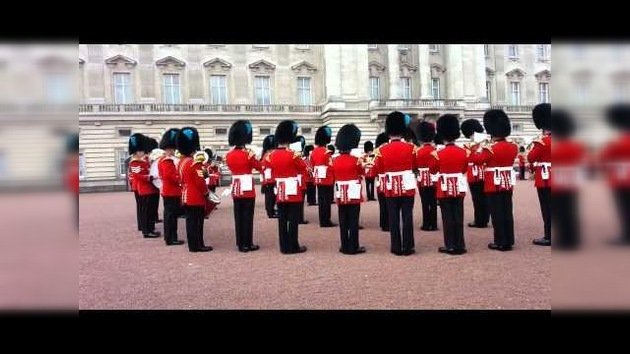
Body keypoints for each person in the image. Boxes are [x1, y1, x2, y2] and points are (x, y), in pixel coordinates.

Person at [469, 109, 518, 251]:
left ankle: (500, 241)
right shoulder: (512, 146)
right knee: (507, 211)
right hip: (507, 182)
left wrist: (476, 148)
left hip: (493, 183)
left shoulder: (489, 148)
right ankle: (509, 239)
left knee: (497, 212)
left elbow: (477, 161)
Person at [373, 111, 418, 256]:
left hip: (390, 186)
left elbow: (379, 169)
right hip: (407, 185)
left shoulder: (381, 150)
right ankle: (408, 246)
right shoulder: (411, 148)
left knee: (393, 216)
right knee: (407, 216)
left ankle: (396, 246)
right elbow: (415, 166)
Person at [266, 120, 309, 254]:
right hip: (292, 190)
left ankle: (284, 246)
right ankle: (293, 246)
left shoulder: (270, 155)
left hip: (280, 190)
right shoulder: (293, 154)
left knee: (282, 219)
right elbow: (304, 168)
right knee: (293, 220)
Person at [430, 114, 468, 255]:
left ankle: (450, 245)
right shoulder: (463, 152)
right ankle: (460, 244)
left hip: (445, 186)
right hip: (458, 185)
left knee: (447, 217)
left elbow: (432, 170)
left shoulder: (438, 154)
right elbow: (464, 169)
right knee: (459, 215)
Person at [225, 120, 262, 252]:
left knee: (238, 216)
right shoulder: (248, 154)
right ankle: (247, 243)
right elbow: (260, 167)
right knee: (247, 216)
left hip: (236, 187)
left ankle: (240, 243)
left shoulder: (228, 155)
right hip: (247, 188)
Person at [551, 109, 586, 249]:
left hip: (560, 181)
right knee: (571, 210)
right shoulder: (576, 145)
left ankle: (565, 239)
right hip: (573, 181)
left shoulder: (558, 146)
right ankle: (573, 238)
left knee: (561, 211)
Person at [177, 127, 212, 252]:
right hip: (195, 196)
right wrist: (206, 193)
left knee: (190, 222)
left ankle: (193, 245)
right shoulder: (194, 163)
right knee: (197, 223)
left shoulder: (181, 162)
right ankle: (198, 245)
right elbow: (200, 182)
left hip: (185, 195)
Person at [332, 124, 366, 255]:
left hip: (341, 192)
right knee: (353, 220)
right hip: (353, 192)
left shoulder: (333, 161)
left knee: (343, 220)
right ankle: (354, 246)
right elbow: (362, 172)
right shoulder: (355, 160)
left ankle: (344, 245)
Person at [600, 103, 630, 245]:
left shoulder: (615, 141)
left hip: (620, 179)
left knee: (624, 208)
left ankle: (626, 235)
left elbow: (604, 158)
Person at [527, 103, 552, 246]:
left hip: (546, 179)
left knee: (547, 208)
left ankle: (549, 236)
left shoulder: (542, 141)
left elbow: (531, 158)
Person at [128, 134, 161, 238]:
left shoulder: (144, 160)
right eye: (141, 151)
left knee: (151, 211)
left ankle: (151, 229)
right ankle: (146, 231)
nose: (143, 152)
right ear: (136, 151)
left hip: (151, 189)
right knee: (146, 212)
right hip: (145, 189)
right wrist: (151, 177)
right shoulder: (135, 162)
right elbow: (138, 176)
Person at [157, 128, 184, 246]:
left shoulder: (164, 160)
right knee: (171, 217)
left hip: (169, 191)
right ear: (169, 148)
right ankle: (171, 238)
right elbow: (172, 177)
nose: (174, 151)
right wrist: (182, 179)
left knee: (170, 216)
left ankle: (170, 237)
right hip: (171, 192)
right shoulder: (167, 162)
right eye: (173, 149)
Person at [461, 119, 490, 229]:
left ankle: (479, 220)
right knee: (484, 198)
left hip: (476, 174)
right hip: (484, 173)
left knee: (478, 198)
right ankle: (484, 218)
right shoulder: (486, 141)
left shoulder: (473, 144)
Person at [415, 121, 438, 231]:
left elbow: (414, 166)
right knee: (433, 202)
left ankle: (426, 223)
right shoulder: (435, 150)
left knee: (425, 202)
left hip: (422, 179)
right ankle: (434, 224)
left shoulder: (418, 151)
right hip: (434, 179)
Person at [311, 126, 336, 227]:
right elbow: (331, 166)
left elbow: (312, 165)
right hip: (327, 178)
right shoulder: (327, 152)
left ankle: (322, 220)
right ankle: (326, 220)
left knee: (321, 200)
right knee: (327, 200)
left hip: (318, 178)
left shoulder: (313, 152)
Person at [374, 132, 390, 232]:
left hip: (380, 180)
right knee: (389, 203)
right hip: (388, 179)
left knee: (382, 203)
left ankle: (383, 223)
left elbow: (374, 168)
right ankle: (388, 223)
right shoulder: (388, 149)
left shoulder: (376, 151)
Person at [260, 134, 279, 218]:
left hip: (268, 177)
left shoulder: (266, 154)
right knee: (271, 196)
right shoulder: (269, 155)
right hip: (270, 177)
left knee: (270, 196)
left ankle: (270, 210)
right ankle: (270, 212)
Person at [145, 137, 162, 224]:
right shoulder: (145, 160)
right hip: (148, 185)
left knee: (155, 203)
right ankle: (147, 225)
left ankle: (155, 217)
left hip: (155, 185)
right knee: (148, 207)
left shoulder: (152, 158)